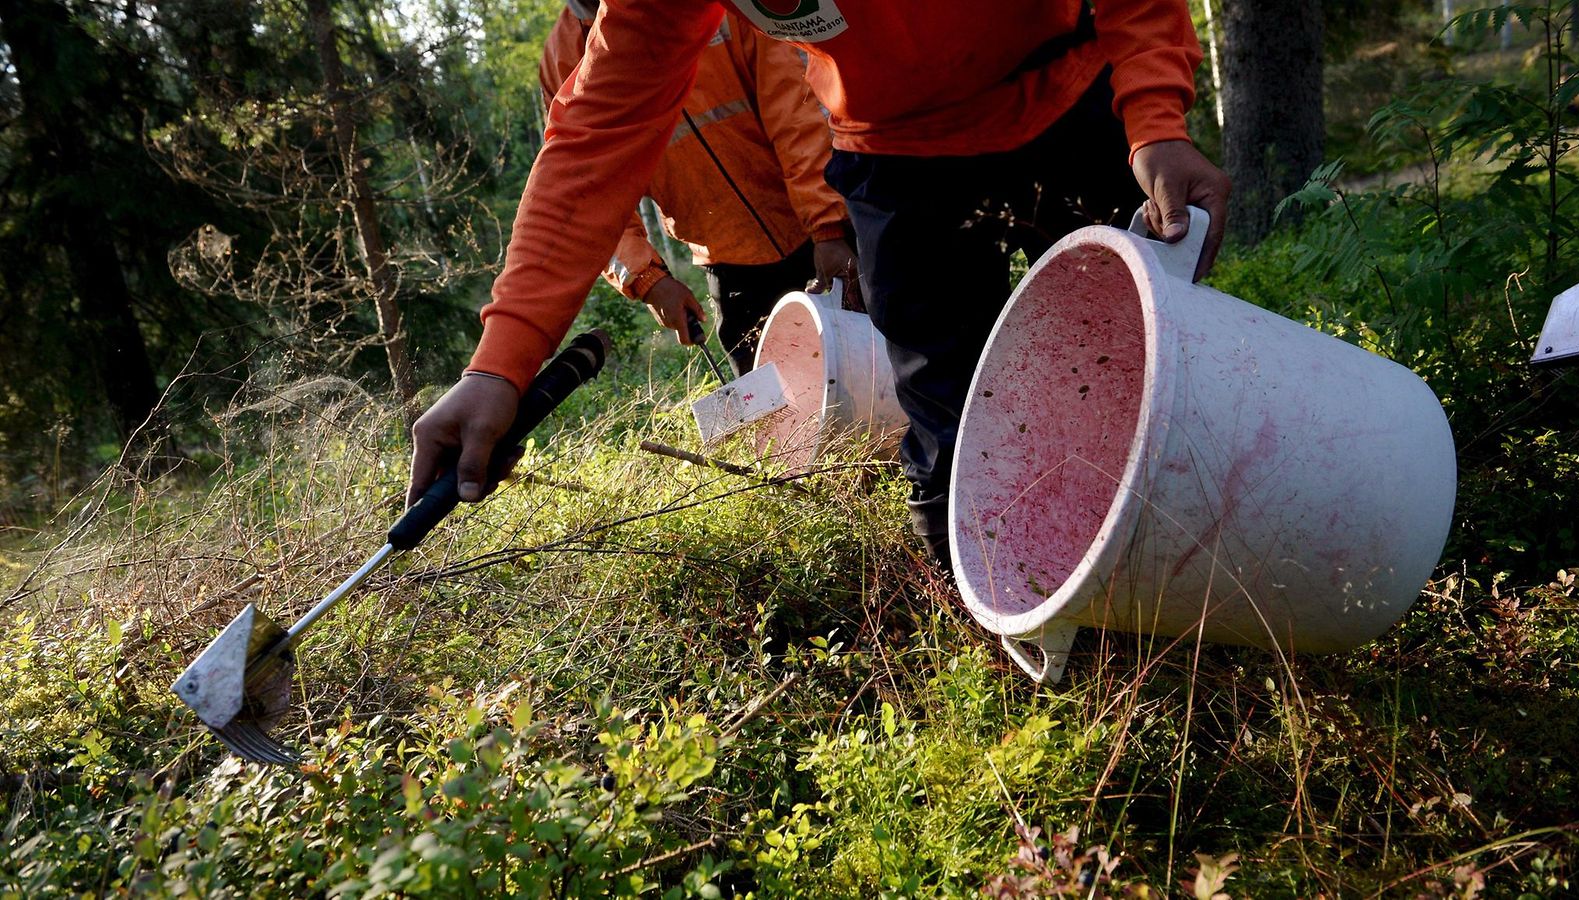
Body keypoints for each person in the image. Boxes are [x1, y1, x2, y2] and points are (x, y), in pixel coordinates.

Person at [409, 0, 1231, 572]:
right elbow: (593, 142)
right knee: (952, 467)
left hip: (1065, 95)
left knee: (1153, 380)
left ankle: (1217, 578)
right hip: (895, 157)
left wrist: (1155, 117)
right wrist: (499, 366)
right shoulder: (630, 19)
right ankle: (1051, 669)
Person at [543, 0, 856, 374]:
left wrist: (828, 227)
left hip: (820, 237)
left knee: (878, 369)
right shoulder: (563, 59)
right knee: (776, 410)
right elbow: (588, 193)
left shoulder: (720, 7)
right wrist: (647, 278)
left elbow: (793, 111)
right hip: (729, 264)